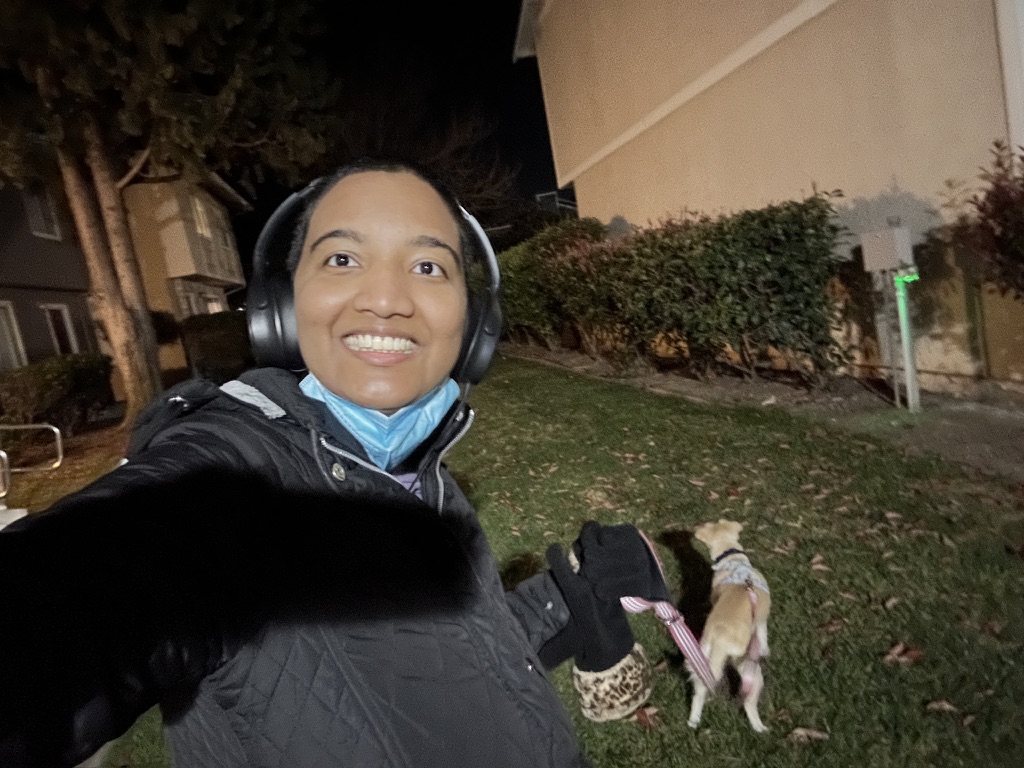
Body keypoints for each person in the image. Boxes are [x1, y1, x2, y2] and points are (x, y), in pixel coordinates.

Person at [0, 159, 660, 768]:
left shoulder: (431, 484)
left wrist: (573, 589)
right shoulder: (230, 482)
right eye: (342, 258)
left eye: (428, 267)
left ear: (473, 326)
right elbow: (77, 598)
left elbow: (458, 663)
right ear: (282, 312)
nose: (385, 298)